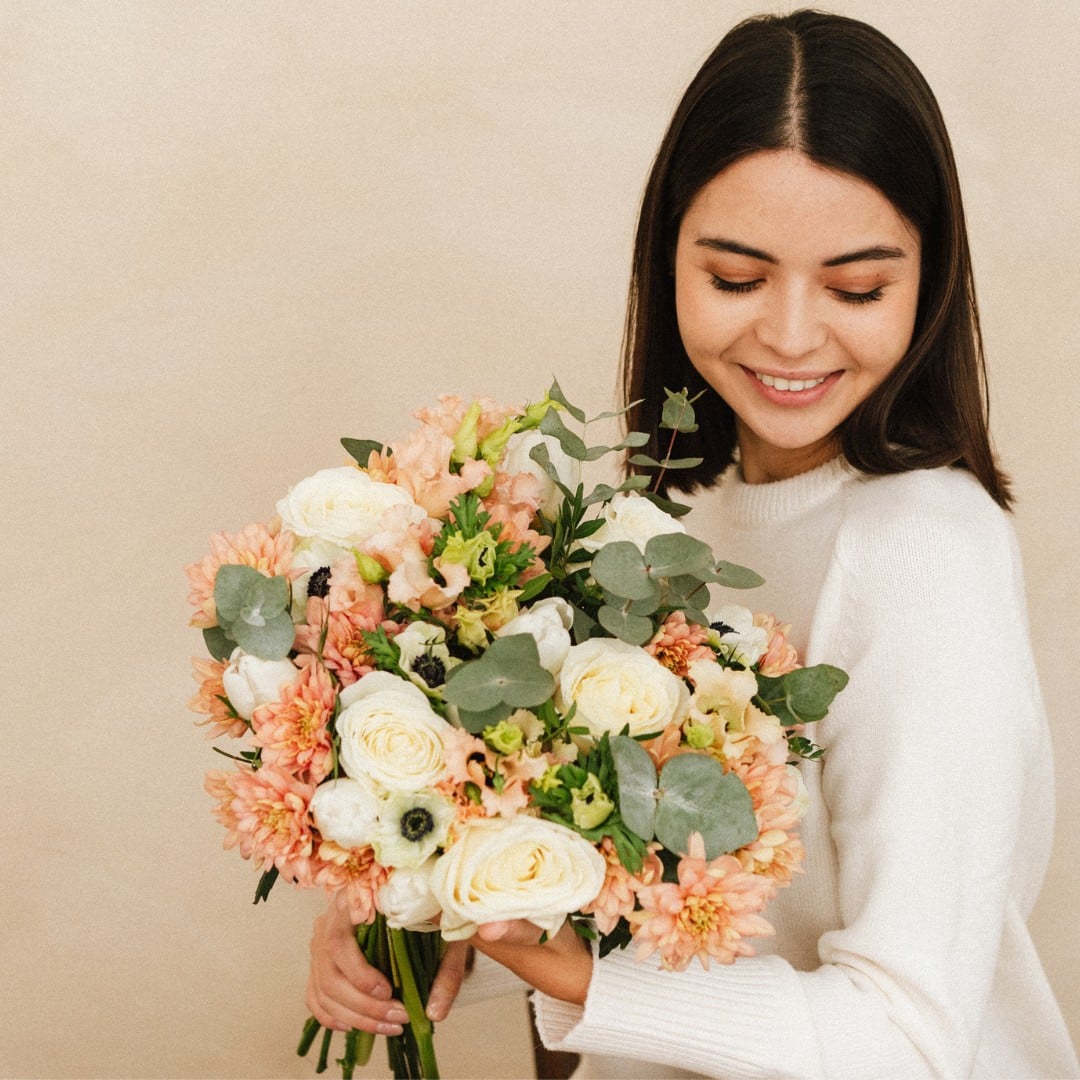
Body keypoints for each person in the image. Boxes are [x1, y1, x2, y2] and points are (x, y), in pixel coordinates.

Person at [306, 10, 1079, 1077]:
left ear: (930, 282)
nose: (794, 335)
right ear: (667, 257)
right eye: (736, 278)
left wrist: (584, 988)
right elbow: (661, 902)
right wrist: (424, 919)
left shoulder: (922, 548)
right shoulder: (659, 523)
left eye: (857, 288)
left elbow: (910, 1036)